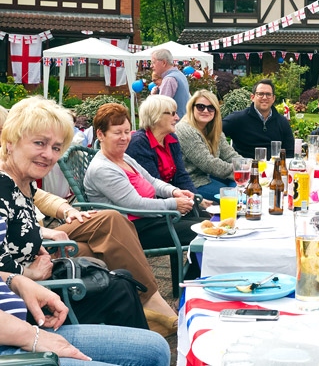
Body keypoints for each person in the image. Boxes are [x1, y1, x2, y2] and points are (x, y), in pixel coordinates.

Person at [0, 103, 179, 336]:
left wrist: (61, 215)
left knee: (118, 275)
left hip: (41, 272)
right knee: (119, 281)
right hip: (23, 304)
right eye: (39, 143)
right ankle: (149, 327)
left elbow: (24, 216)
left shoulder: (24, 182)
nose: (49, 154)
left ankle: (144, 334)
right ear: (10, 141)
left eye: (56, 147)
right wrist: (27, 273)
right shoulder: (5, 184)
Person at [84, 103, 203, 271]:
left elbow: (152, 181)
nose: (124, 138)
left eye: (127, 132)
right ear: (100, 134)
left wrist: (174, 191)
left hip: (152, 218)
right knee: (205, 233)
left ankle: (194, 279)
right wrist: (173, 204)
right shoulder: (102, 169)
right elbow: (135, 205)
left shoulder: (123, 157)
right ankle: (192, 283)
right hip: (132, 230)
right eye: (117, 133)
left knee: (209, 222)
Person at [0, 260, 170, 365]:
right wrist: (31, 335)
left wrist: (16, 281)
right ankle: (153, 302)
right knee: (119, 285)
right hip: (13, 341)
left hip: (18, 324)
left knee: (156, 349)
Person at [126, 95, 208, 204]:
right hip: (156, 206)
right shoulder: (139, 143)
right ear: (157, 115)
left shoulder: (171, 138)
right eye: (173, 113)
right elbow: (153, 186)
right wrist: (186, 202)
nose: (177, 118)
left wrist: (196, 199)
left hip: (175, 197)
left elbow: (181, 175)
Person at [176, 90, 241, 201]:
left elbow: (229, 155)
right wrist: (241, 172)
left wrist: (248, 167)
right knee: (236, 196)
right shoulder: (185, 130)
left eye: (211, 108)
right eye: (201, 107)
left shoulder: (213, 129)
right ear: (192, 108)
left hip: (209, 177)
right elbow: (208, 163)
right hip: (192, 182)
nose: (206, 111)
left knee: (242, 188)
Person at [222, 79, 294, 159]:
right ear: (252, 97)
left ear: (273, 98)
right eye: (260, 94)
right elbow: (214, 133)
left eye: (268, 94)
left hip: (274, 169)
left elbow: (289, 153)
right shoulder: (238, 119)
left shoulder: (282, 122)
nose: (264, 97)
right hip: (246, 168)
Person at [150, 49, 190, 118]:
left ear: (164, 63)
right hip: (183, 122)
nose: (151, 66)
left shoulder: (169, 79)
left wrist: (152, 96)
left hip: (174, 125)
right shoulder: (180, 75)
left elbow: (161, 108)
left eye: (153, 62)